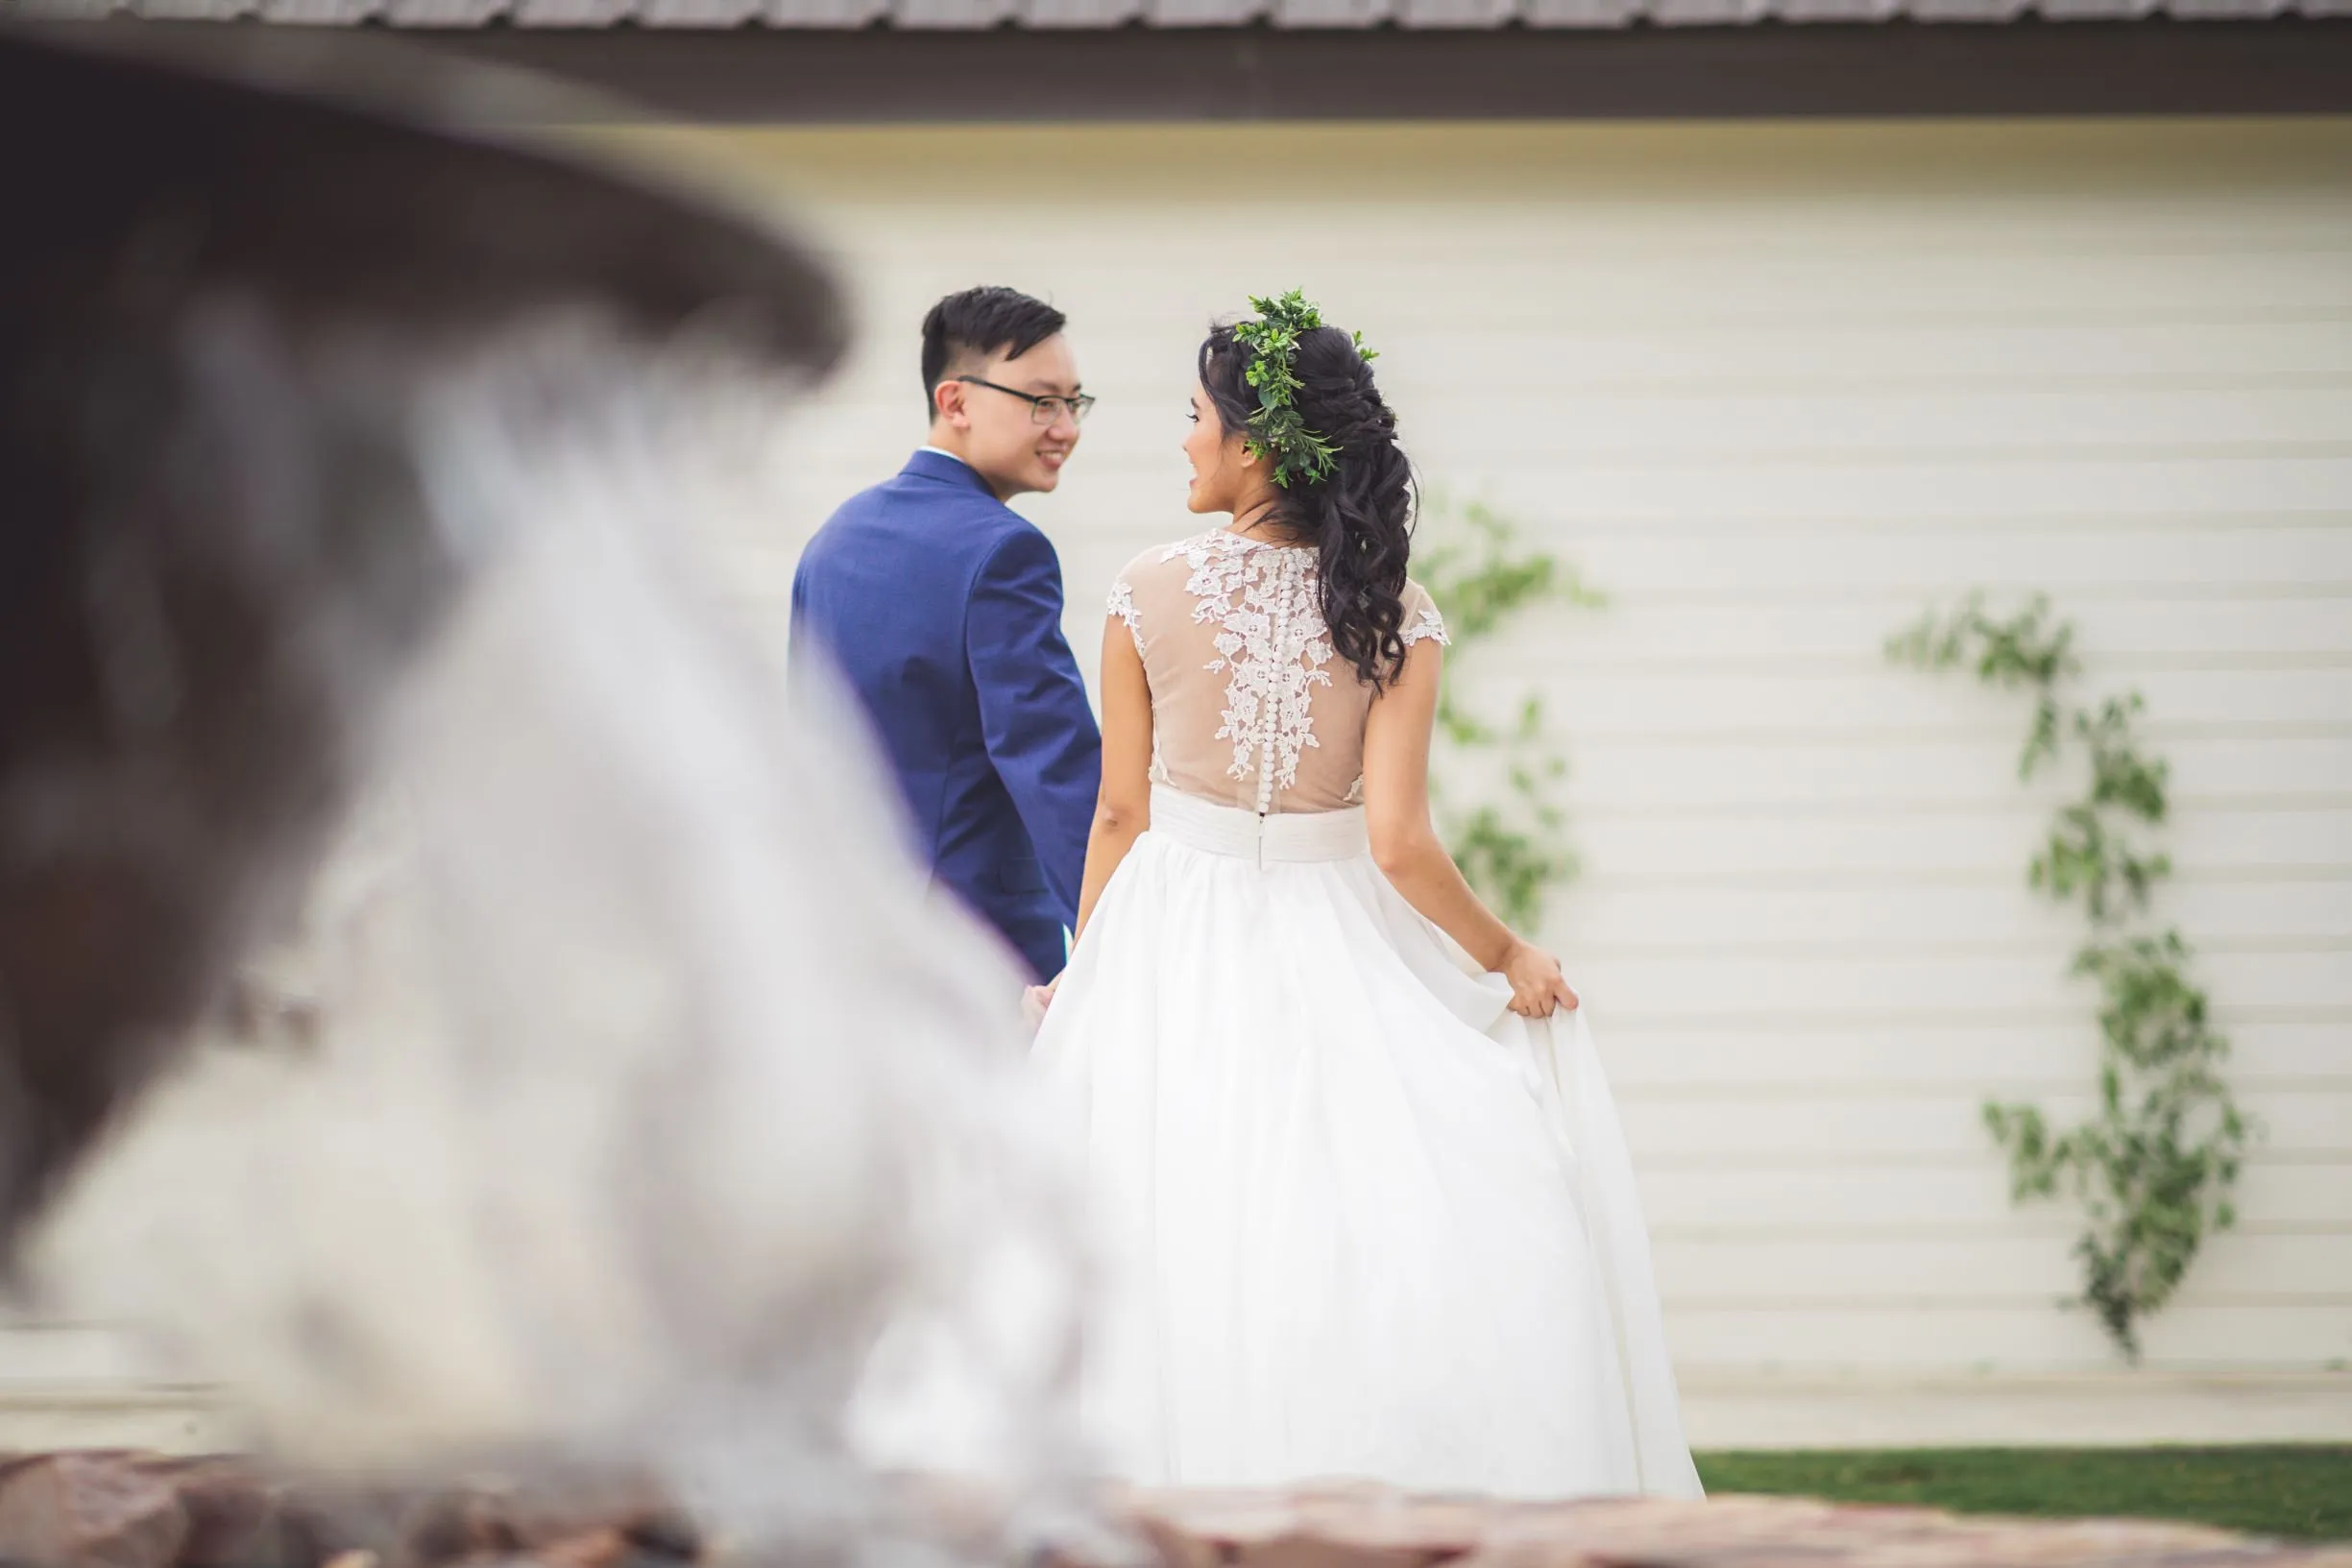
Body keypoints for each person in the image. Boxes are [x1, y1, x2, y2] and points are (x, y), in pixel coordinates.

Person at [1029, 293, 1702, 1500]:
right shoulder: (1394, 610)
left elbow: (1120, 815)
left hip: (1166, 944)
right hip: (1334, 939)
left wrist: (1088, 975)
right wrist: (1508, 954)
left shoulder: (1142, 589)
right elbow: (1395, 842)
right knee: (1346, 1241)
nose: (1182, 439)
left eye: (1194, 417)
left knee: (1169, 1234)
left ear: (1255, 445)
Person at [792, 287, 1102, 983]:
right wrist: (1123, 930)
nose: (1066, 428)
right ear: (956, 401)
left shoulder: (831, 540)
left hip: (845, 940)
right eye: (1041, 401)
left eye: (1073, 403)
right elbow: (1053, 765)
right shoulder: (1004, 552)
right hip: (978, 947)